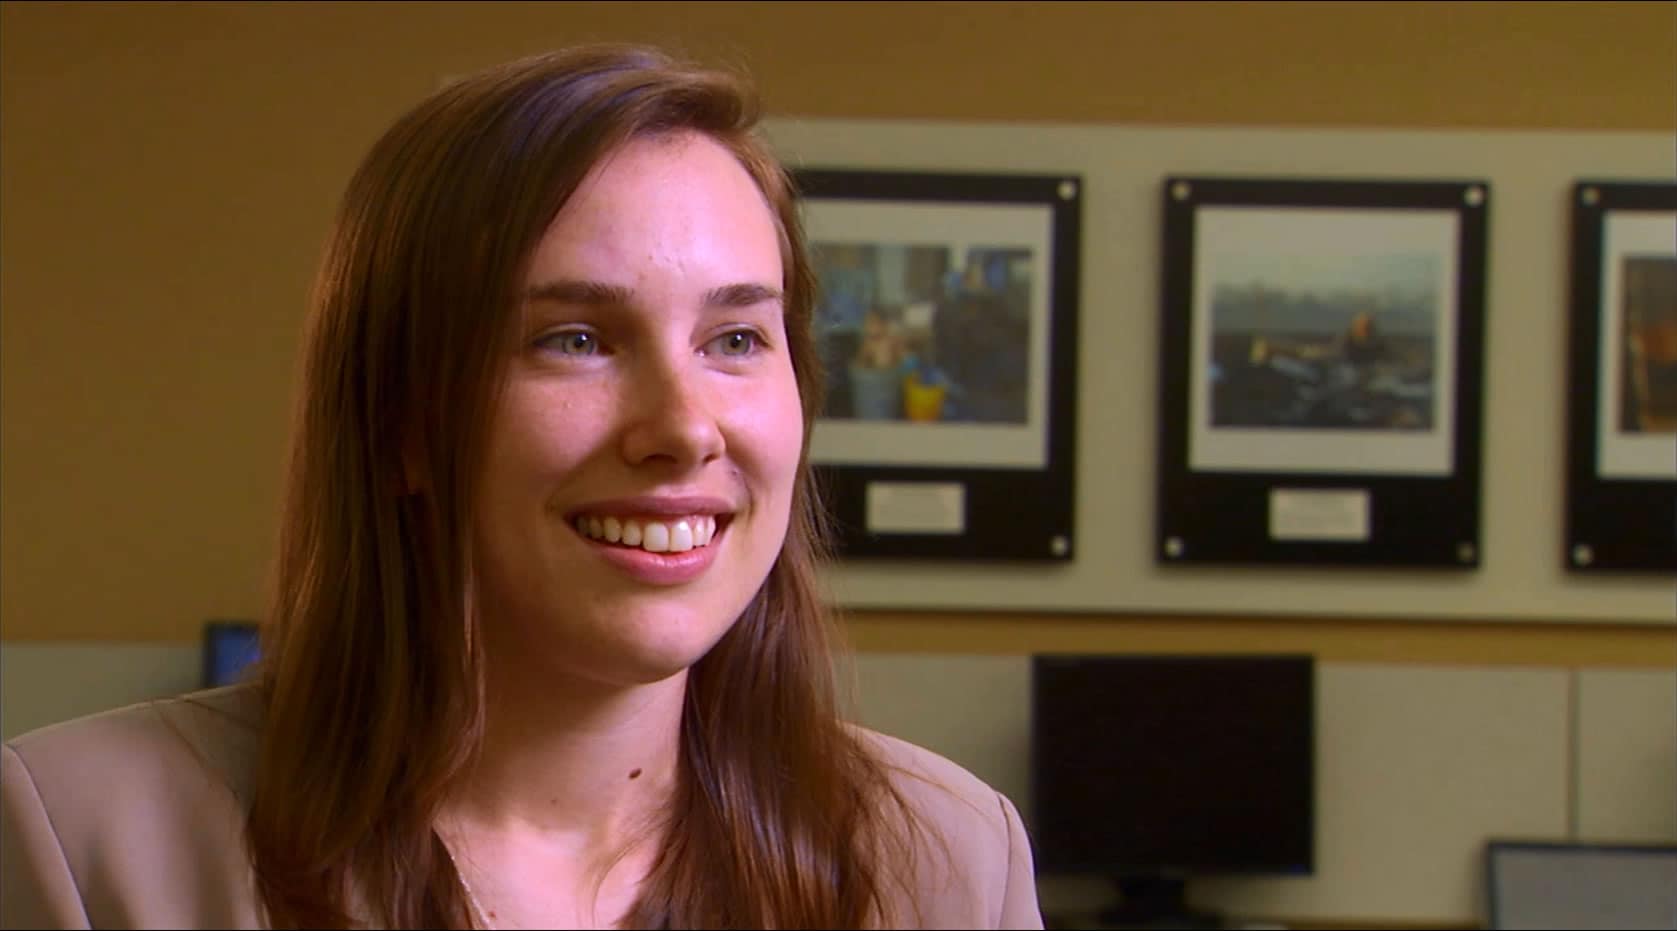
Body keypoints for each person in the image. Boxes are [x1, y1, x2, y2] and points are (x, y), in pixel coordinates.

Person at [0, 44, 1042, 930]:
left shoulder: (945, 861)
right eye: (576, 339)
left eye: (735, 337)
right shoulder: (83, 841)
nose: (682, 429)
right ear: (401, 417)